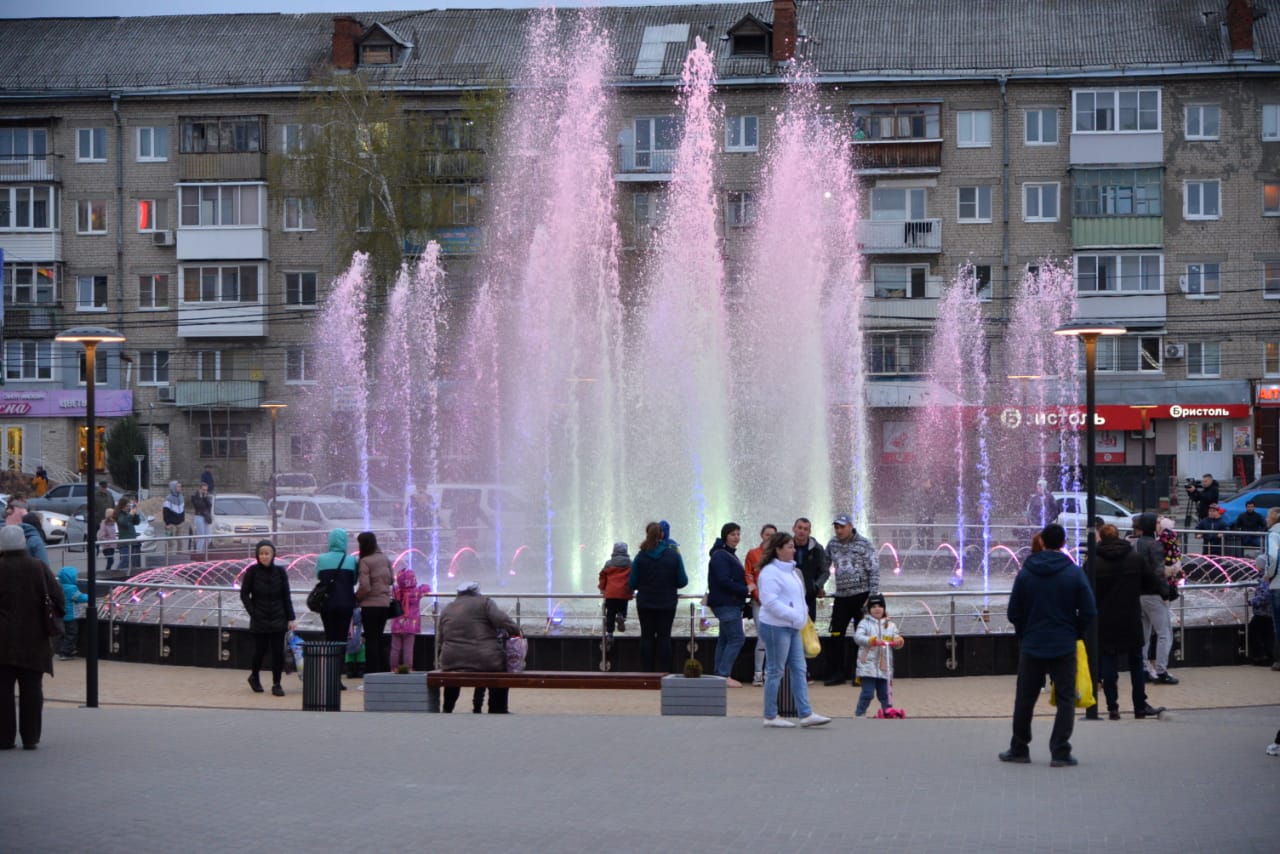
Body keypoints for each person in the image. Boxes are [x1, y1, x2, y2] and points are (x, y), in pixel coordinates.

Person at [1000, 524, 1096, 767]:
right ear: (1063, 543)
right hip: (1064, 645)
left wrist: (1025, 632)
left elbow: (1013, 612)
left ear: (1041, 541)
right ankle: (1060, 751)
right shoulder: (1074, 573)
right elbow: (1089, 610)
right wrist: (1074, 630)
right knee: (1065, 698)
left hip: (1032, 645)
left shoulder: (1026, 572)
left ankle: (1019, 748)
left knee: (1025, 698)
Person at [1090, 524, 1165, 720]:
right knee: (1136, 663)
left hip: (1105, 620)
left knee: (1108, 664)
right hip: (1131, 617)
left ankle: (1112, 708)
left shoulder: (1093, 563)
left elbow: (1085, 591)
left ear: (1101, 538)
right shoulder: (1134, 558)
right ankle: (1140, 706)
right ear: (1118, 537)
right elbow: (1151, 582)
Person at [756, 532, 831, 728]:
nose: (793, 549)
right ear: (778, 550)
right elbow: (769, 602)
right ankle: (770, 715)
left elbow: (800, 597)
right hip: (775, 627)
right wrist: (793, 614)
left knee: (800, 668)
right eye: (789, 546)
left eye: (793, 546)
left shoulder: (792, 571)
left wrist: (802, 615)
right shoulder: (770, 573)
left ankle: (805, 713)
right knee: (775, 670)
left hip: (792, 626)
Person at [0, 524, 63, 750]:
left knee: (3, 693)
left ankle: (4, 738)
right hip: (34, 640)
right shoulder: (38, 567)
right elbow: (58, 598)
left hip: (2, 642)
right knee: (32, 691)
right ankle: (31, 737)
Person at [437, 581, 521, 713]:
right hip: (485, 659)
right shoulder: (485, 602)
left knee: (452, 675)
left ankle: (447, 708)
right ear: (476, 592)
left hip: (451, 661)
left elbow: (441, 638)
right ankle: (497, 708)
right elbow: (501, 620)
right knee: (502, 672)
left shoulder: (448, 608)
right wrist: (516, 630)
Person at [824, 513, 879, 686]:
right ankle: (837, 673)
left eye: (841, 527)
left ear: (850, 526)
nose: (839, 530)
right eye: (836, 527)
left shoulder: (864, 544)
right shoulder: (832, 544)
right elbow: (824, 565)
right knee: (835, 634)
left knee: (861, 636)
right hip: (841, 597)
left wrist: (872, 598)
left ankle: (860, 673)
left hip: (861, 597)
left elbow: (874, 570)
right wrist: (818, 584)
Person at [628, 521, 688, 673]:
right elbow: (683, 581)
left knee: (646, 637)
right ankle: (664, 672)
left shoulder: (640, 557)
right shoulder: (673, 555)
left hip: (645, 603)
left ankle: (647, 673)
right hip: (667, 603)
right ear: (662, 535)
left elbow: (632, 582)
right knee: (664, 637)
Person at [240, 540, 296, 697]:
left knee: (278, 652)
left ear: (273, 555)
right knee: (260, 651)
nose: (264, 556)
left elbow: (286, 595)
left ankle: (276, 684)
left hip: (279, 617)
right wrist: (253, 612)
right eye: (261, 554)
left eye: (267, 553)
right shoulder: (252, 572)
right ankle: (254, 676)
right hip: (260, 618)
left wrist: (291, 618)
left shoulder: (280, 572)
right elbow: (244, 594)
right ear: (257, 555)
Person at [707, 522, 748, 687]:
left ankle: (719, 674)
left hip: (728, 602)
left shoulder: (725, 554)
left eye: (738, 534)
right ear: (725, 536)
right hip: (727, 603)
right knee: (737, 638)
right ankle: (724, 674)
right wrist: (744, 589)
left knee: (724, 639)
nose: (736, 537)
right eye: (732, 534)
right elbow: (723, 580)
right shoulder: (721, 555)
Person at [852, 593, 904, 717]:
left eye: (880, 606)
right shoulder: (864, 623)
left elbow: (896, 636)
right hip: (867, 665)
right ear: (869, 609)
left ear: (884, 608)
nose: (877, 609)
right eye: (873, 606)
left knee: (886, 694)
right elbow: (858, 637)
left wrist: (898, 641)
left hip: (884, 666)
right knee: (868, 693)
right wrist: (871, 640)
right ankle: (859, 713)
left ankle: (887, 712)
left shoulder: (890, 625)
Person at [355, 531, 395, 675]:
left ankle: (371, 674)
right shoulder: (384, 558)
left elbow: (365, 586)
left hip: (370, 606)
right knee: (379, 638)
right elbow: (391, 579)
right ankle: (385, 671)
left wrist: (357, 598)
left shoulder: (365, 561)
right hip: (384, 605)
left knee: (371, 640)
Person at [314, 528, 357, 659]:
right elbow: (354, 581)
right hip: (345, 604)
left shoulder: (321, 559)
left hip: (327, 605)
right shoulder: (351, 560)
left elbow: (318, 576)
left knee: (330, 637)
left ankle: (329, 670)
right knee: (342, 638)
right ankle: (338, 670)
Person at [744, 524, 777, 686]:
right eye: (767, 534)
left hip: (774, 602)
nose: (769, 537)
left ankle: (768, 672)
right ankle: (759, 673)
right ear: (761, 535)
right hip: (759, 602)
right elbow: (748, 575)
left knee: (773, 637)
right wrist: (757, 595)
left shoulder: (778, 554)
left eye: (772, 535)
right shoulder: (753, 554)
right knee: (763, 636)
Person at [389, 566, 431, 672]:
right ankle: (408, 668)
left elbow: (389, 591)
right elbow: (427, 588)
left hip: (396, 623)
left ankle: (393, 667)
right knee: (408, 649)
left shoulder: (397, 591)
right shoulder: (416, 592)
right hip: (410, 625)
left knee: (395, 648)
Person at [791, 518, 829, 622]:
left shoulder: (817, 549)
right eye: (799, 528)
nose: (802, 531)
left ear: (809, 532)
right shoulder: (785, 546)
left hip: (809, 595)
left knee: (809, 628)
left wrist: (817, 586)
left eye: (805, 529)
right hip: (788, 595)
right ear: (793, 529)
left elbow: (825, 571)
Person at [597, 542, 633, 635]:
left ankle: (609, 634)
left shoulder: (609, 563)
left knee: (610, 613)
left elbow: (602, 576)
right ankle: (622, 616)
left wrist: (602, 588)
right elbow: (634, 577)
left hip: (611, 593)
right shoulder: (630, 563)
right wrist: (632, 588)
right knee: (623, 608)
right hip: (624, 592)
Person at [56, 566, 88, 661]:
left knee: (63, 634)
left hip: (61, 615)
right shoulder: (71, 588)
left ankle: (63, 649)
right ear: (70, 577)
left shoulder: (59, 586)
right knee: (72, 633)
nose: (77, 578)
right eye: (75, 576)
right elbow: (80, 598)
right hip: (70, 616)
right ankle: (65, 652)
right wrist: (90, 596)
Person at [1264, 507, 1280, 673]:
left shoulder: (1274, 535)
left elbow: (1273, 556)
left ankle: (1278, 660)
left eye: (1268, 516)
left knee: (1279, 624)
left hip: (1278, 584)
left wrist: (1269, 574)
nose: (1266, 519)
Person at [115, 496, 142, 573]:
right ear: (122, 506)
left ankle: (127, 575)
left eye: (129, 505)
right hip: (124, 542)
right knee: (125, 560)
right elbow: (123, 523)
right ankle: (117, 573)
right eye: (127, 505)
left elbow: (137, 522)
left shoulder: (128, 513)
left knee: (133, 562)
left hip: (132, 541)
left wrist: (136, 513)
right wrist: (130, 514)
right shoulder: (120, 514)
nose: (128, 507)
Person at [191, 482, 213, 553]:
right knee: (201, 537)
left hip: (206, 517)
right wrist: (201, 497)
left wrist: (205, 497)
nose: (205, 491)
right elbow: (199, 505)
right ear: (199, 489)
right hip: (199, 517)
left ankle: (204, 552)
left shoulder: (206, 497)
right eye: (203, 490)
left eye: (206, 490)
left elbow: (209, 505)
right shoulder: (195, 496)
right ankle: (199, 553)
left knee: (209, 538)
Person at [97, 508, 118, 572]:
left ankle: (108, 571)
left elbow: (113, 534)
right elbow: (100, 536)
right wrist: (107, 542)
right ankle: (106, 572)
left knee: (111, 561)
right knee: (111, 560)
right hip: (107, 546)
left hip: (112, 546)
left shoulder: (113, 523)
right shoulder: (104, 523)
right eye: (113, 513)